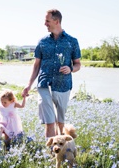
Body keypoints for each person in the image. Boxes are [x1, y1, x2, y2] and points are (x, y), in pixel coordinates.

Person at [22, 9, 81, 138]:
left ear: (56, 21)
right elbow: (36, 65)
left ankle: (61, 149)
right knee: (49, 122)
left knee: (60, 122)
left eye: (47, 21)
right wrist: (29, 85)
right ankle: (49, 152)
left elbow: (78, 64)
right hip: (44, 84)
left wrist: (71, 69)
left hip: (63, 84)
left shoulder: (72, 41)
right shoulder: (42, 41)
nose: (45, 24)